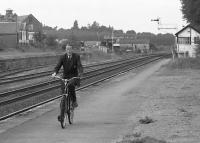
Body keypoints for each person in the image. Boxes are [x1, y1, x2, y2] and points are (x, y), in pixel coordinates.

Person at [52, 44, 83, 112]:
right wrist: (54, 73)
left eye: (70, 49)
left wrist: (80, 73)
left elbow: (79, 65)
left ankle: (74, 101)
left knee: (71, 86)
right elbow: (58, 66)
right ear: (66, 50)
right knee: (63, 87)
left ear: (72, 49)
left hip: (74, 76)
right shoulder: (62, 57)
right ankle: (64, 100)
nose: (69, 50)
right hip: (65, 76)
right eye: (67, 49)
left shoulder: (76, 56)